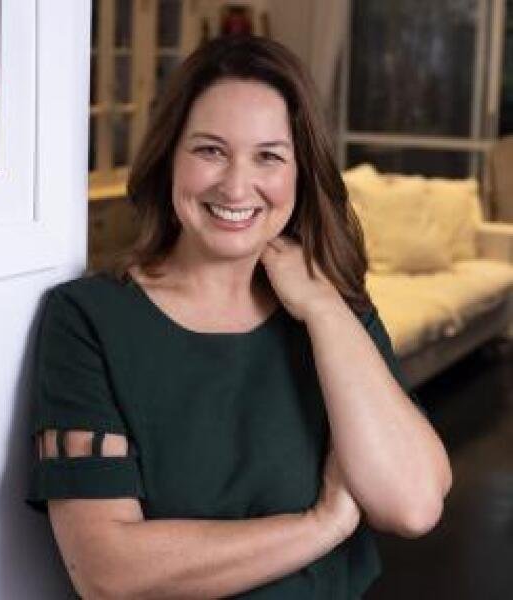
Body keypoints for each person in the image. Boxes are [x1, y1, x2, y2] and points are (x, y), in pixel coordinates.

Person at [26, 35, 452, 599]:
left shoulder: (335, 310)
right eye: (210, 150)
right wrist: (321, 525)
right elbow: (108, 572)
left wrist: (322, 308)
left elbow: (413, 504)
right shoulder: (89, 320)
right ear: (169, 157)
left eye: (268, 156)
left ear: (301, 174)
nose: (234, 185)